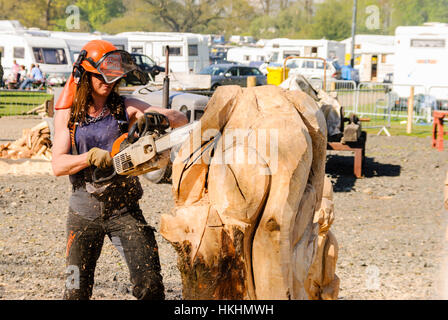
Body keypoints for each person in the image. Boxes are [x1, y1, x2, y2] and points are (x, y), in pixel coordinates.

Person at [51, 40, 188, 300]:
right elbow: (58, 164)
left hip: (124, 207)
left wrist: (157, 118)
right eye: (101, 77)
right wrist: (89, 157)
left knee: (150, 283)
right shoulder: (69, 115)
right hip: (83, 211)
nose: (108, 83)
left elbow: (180, 120)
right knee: (75, 290)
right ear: (84, 75)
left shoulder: (126, 106)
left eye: (113, 77)